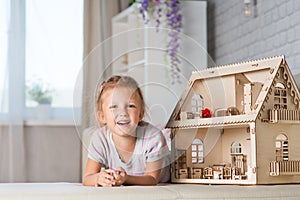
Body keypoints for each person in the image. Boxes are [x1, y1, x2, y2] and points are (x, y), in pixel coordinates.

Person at [83, 75, 170, 187]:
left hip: (162, 173)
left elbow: (152, 179)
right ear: (102, 116)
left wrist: (126, 179)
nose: (123, 113)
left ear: (140, 114)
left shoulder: (153, 137)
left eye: (130, 106)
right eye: (114, 106)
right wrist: (99, 178)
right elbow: (87, 178)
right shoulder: (100, 138)